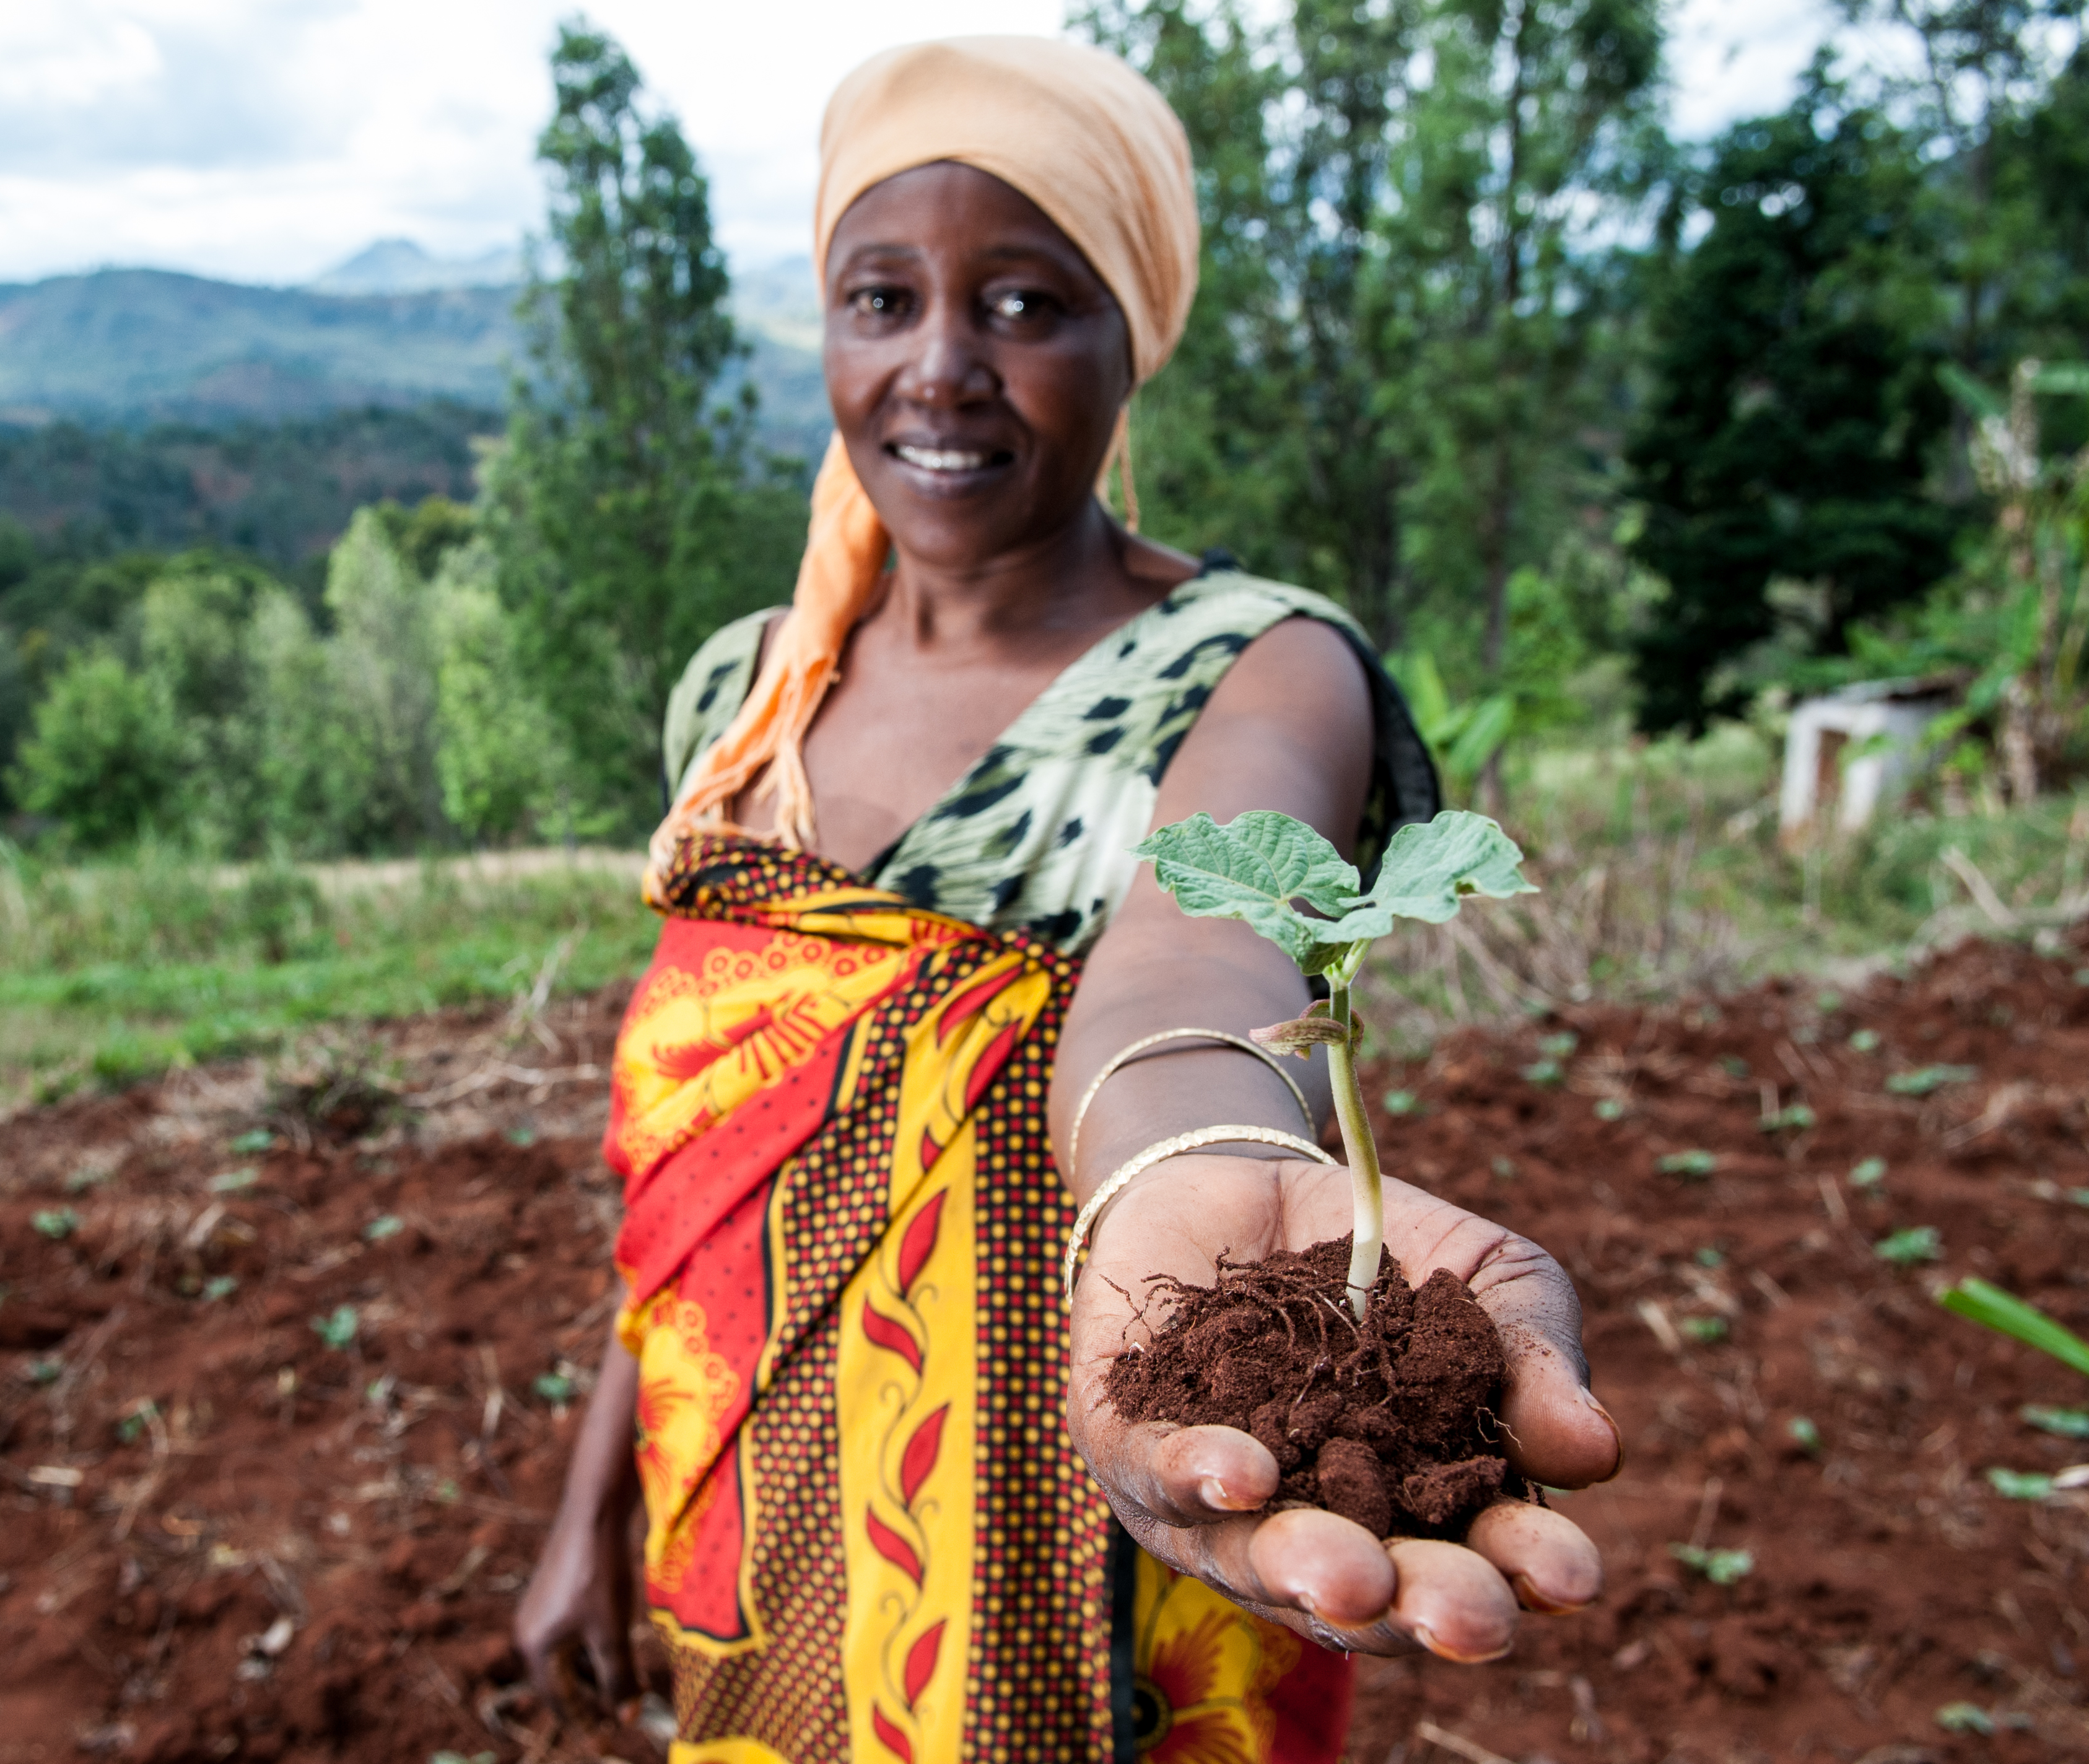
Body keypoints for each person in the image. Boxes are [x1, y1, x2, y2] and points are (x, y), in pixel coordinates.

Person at [516, 35, 1622, 1764]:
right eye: (880, 300)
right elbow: (713, 1151)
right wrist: (589, 1501)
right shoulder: (750, 693)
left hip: (1112, 1486)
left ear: (1131, 344)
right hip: (746, 1482)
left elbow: (1191, 961)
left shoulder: (1257, 667)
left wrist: (1194, 1165)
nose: (940, 369)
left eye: (1025, 306)